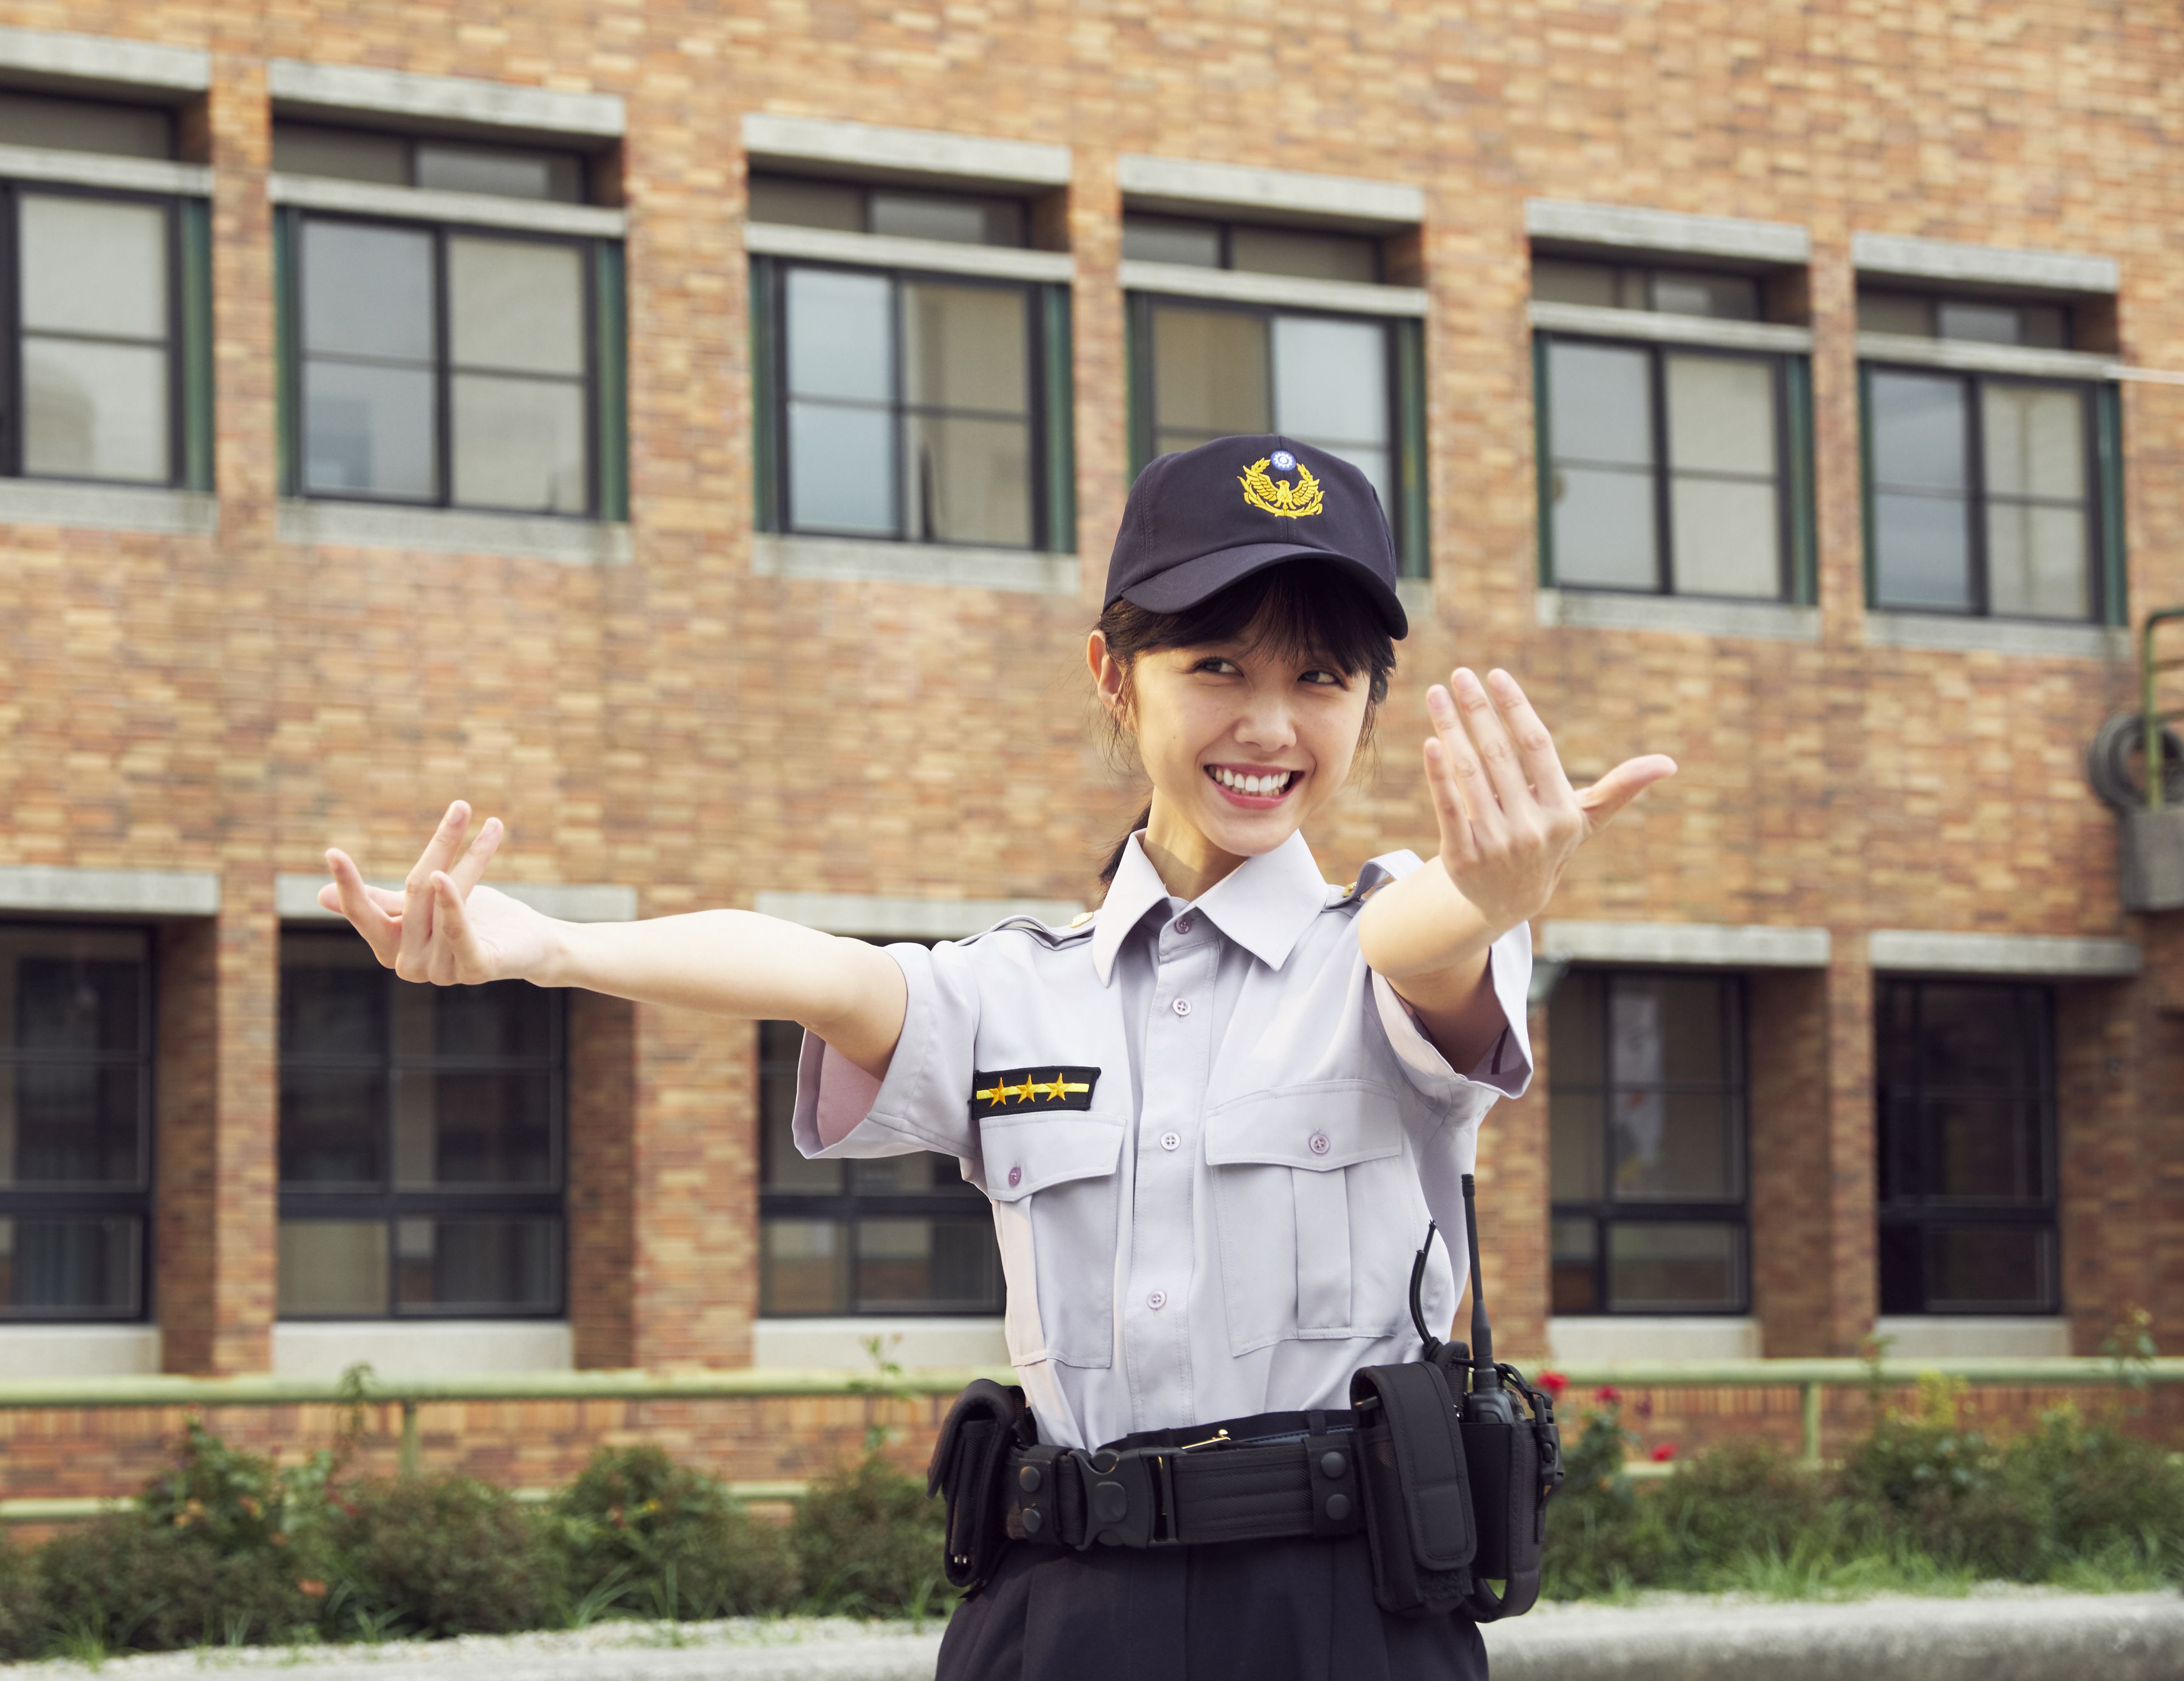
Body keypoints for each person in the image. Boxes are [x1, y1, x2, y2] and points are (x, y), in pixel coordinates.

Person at [318, 434, 1675, 1680]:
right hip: (1058, 1611)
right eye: (1216, 666)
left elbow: (1420, 939)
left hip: (1334, 1618)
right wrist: (548, 946)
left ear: (1368, 706)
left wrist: (1495, 889)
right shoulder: (1015, 991)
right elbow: (818, 969)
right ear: (1111, 674)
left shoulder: (1384, 939)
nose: (1269, 724)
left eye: (1319, 678)